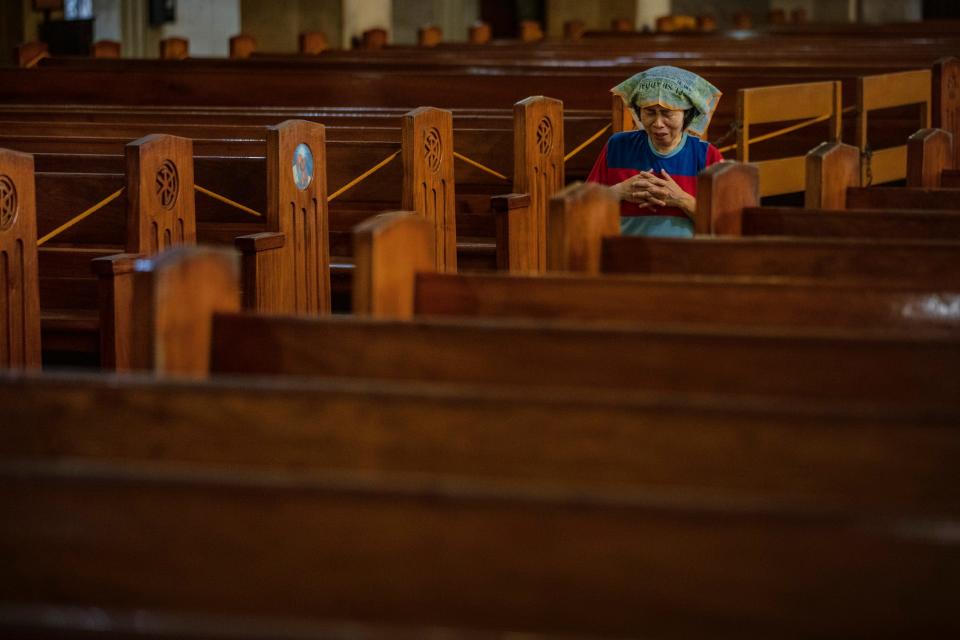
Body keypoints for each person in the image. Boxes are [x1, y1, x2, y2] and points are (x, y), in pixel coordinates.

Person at [586, 66, 723, 237]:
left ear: (686, 114)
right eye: (649, 112)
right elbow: (582, 208)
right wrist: (619, 191)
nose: (658, 123)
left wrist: (681, 200)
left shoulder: (707, 155)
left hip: (686, 259)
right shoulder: (617, 146)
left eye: (667, 113)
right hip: (622, 258)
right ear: (638, 112)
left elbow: (724, 225)